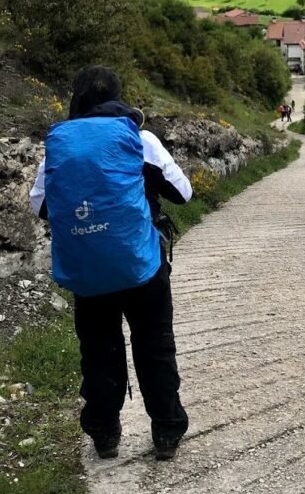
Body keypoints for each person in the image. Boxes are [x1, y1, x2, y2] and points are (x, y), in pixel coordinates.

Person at [29, 66, 192, 461]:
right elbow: (183, 193)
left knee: (98, 351)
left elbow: (41, 205)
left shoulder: (60, 145)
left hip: (88, 269)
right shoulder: (140, 138)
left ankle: (104, 434)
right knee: (154, 345)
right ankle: (167, 431)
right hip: (142, 264)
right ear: (119, 96)